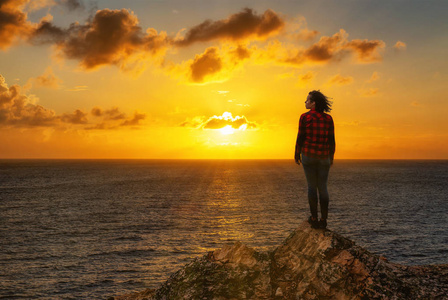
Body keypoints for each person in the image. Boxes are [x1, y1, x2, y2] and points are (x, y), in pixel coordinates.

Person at [295, 90, 335, 229]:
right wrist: (331, 156)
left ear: (313, 103)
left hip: (308, 156)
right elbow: (331, 140)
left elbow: (300, 137)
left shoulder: (305, 117)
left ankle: (313, 218)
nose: (305, 102)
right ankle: (324, 220)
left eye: (307, 100)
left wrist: (296, 152)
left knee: (312, 187)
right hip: (324, 157)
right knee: (323, 187)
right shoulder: (328, 119)